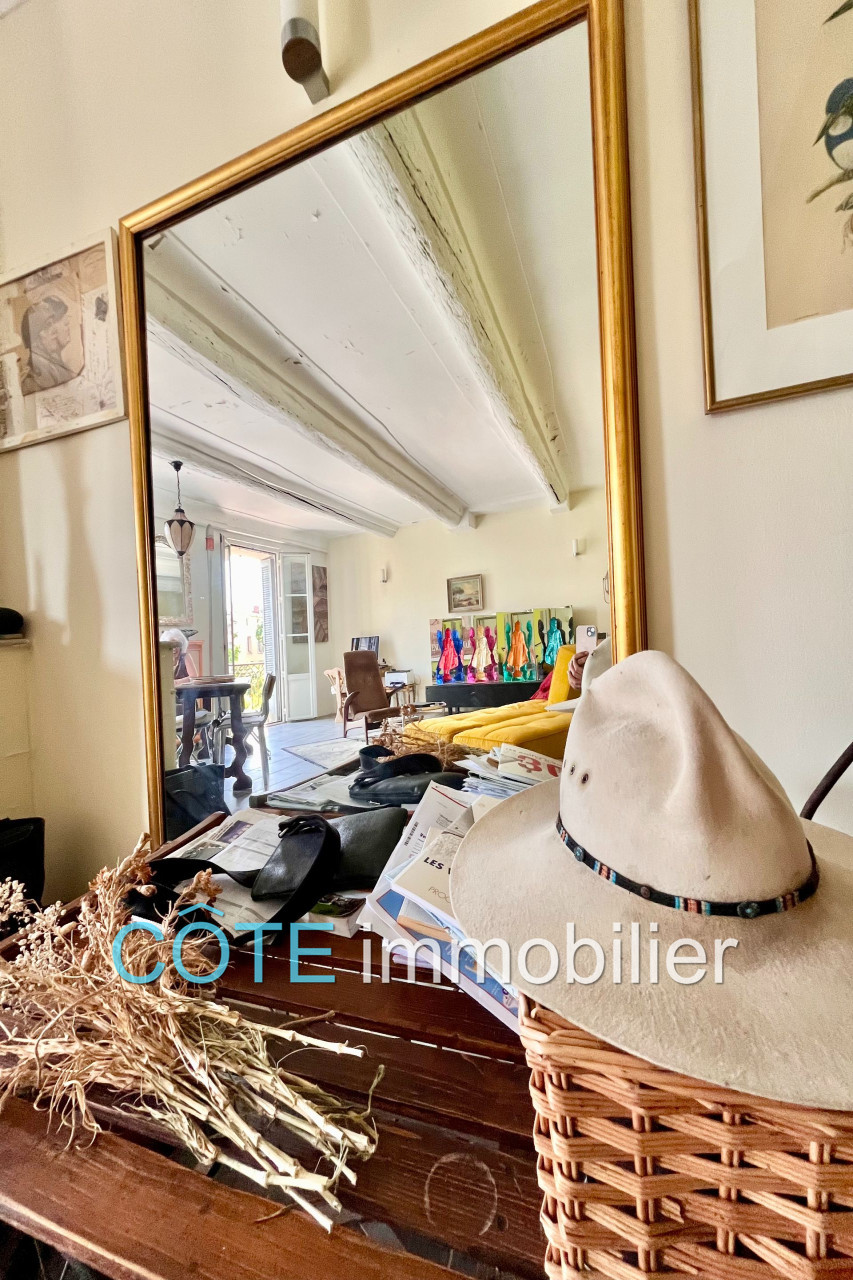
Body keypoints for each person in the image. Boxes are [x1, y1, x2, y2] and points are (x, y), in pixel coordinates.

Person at [20, 295, 77, 394]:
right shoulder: (32, 382)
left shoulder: (56, 366)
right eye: (65, 324)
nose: (68, 328)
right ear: (42, 333)